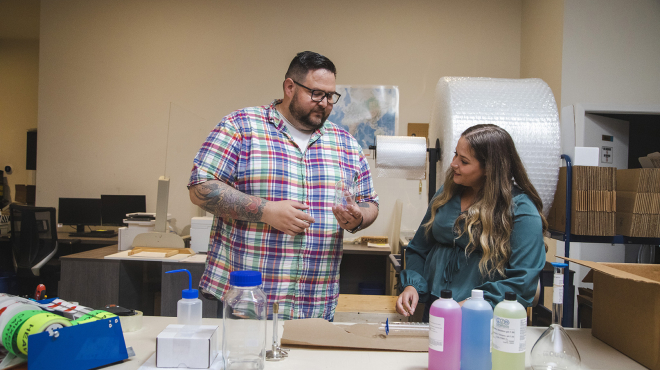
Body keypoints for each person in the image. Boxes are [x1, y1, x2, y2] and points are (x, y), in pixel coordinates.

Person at [188, 51, 379, 321]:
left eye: (330, 96)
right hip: (248, 303)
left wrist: (358, 218)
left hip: (316, 305)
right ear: (290, 87)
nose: (324, 103)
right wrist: (266, 211)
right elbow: (200, 187)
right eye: (316, 93)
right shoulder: (241, 126)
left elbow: (371, 203)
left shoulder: (345, 143)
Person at [396, 124, 546, 321]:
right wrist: (412, 285)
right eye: (455, 154)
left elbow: (523, 280)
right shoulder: (447, 193)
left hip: (484, 315)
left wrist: (472, 305)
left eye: (464, 161)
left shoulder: (521, 210)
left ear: (489, 169)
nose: (453, 164)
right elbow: (418, 248)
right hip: (437, 306)